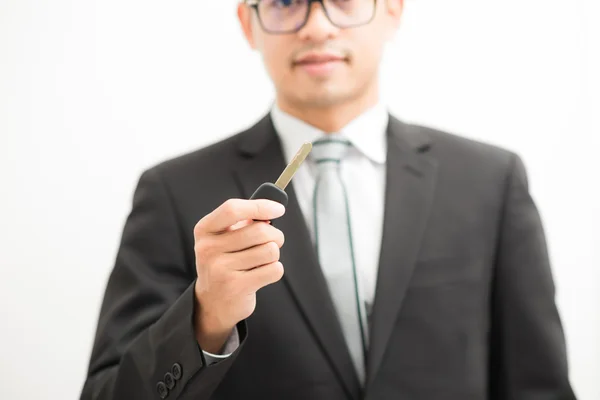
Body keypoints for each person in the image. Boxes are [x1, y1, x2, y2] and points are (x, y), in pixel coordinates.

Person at [80, 0, 576, 399]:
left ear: (394, 10)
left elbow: (540, 386)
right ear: (248, 23)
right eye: (285, 3)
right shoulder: (173, 192)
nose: (316, 26)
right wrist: (205, 319)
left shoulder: (490, 180)